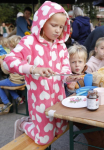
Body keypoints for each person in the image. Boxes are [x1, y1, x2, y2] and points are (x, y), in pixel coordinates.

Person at [3, 1, 82, 145]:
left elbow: (64, 69)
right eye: (54, 25)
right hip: (40, 100)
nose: (58, 30)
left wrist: (69, 78)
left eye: (61, 26)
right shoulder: (29, 42)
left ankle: (35, 124)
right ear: (42, 22)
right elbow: (7, 61)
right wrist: (33, 69)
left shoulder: (61, 45)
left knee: (61, 129)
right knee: (43, 139)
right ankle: (23, 124)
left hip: (59, 98)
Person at [0, 35, 24, 112]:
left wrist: (1, 62)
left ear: (10, 45)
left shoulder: (11, 57)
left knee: (2, 83)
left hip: (15, 81)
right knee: (6, 82)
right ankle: (17, 97)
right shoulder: (23, 54)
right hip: (24, 81)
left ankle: (6, 103)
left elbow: (5, 71)